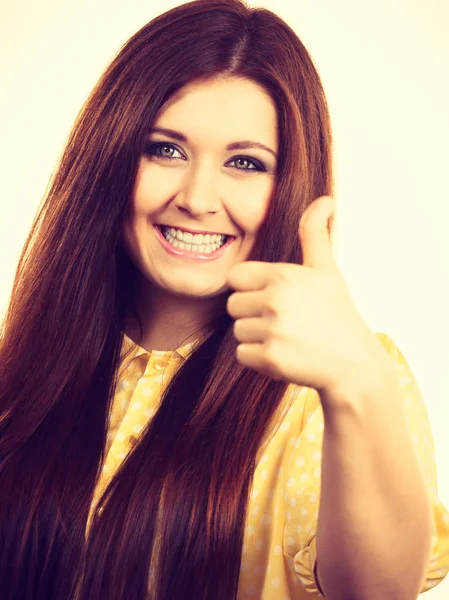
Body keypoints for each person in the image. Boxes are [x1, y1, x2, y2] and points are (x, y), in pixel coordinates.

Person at [0, 0, 448, 598]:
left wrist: (358, 385)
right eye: (165, 149)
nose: (198, 197)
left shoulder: (336, 386)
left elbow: (375, 591)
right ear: (108, 156)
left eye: (245, 163)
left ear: (289, 183)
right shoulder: (26, 365)